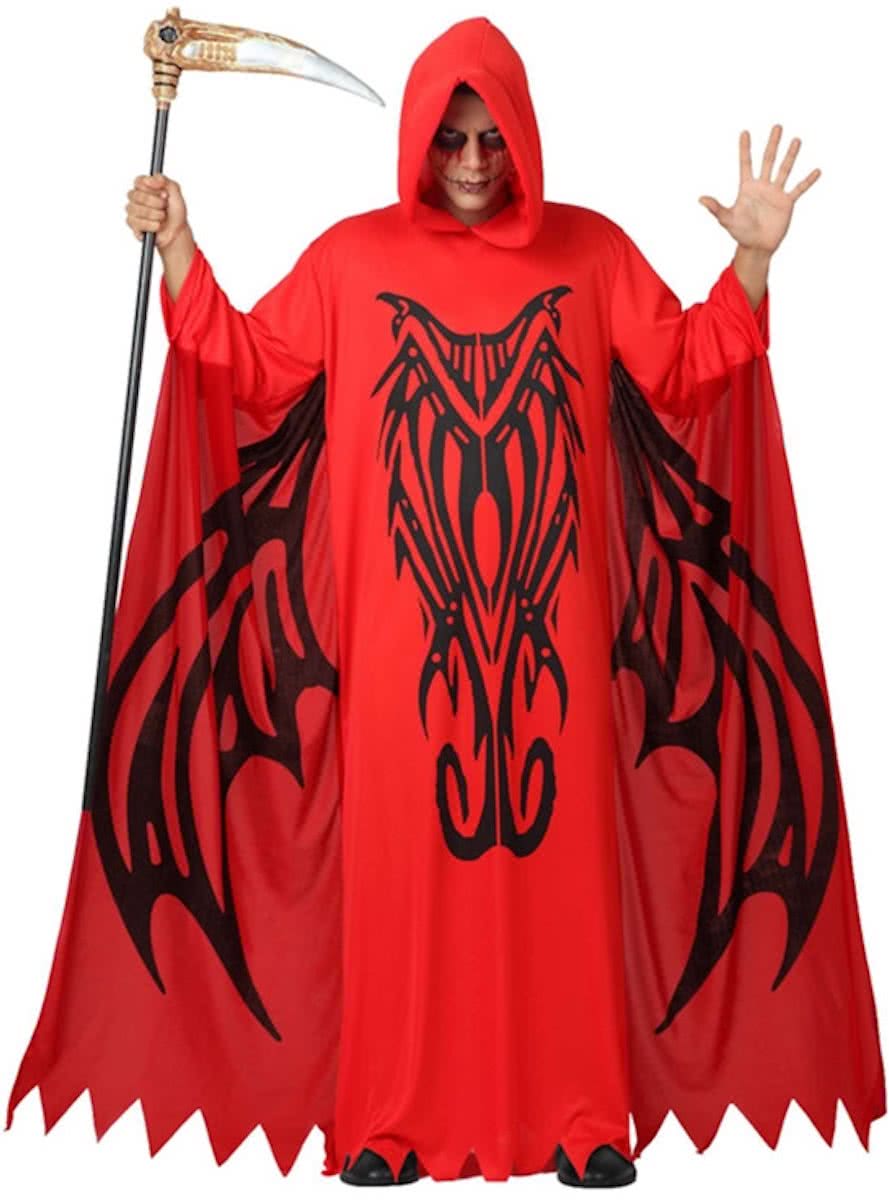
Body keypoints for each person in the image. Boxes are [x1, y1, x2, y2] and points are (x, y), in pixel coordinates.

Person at [7, 15, 884, 1191]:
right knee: (399, 890)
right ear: (419, 141)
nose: (471, 162)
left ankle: (584, 1118)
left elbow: (686, 368)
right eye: (450, 139)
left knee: (563, 888)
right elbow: (248, 365)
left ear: (522, 138)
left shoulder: (589, 252)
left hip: (558, 646)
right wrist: (179, 243)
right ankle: (386, 1122)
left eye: (490, 139)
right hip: (392, 655)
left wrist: (755, 262)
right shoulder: (350, 260)